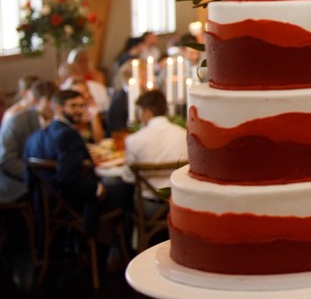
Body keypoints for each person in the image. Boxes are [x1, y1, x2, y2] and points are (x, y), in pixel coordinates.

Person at [23, 90, 132, 237]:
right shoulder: (68, 135)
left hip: (46, 206)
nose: (80, 111)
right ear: (58, 108)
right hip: (72, 207)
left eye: (82, 106)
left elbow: (29, 178)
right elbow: (68, 177)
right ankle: (115, 249)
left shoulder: (35, 137)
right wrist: (98, 189)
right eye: (73, 106)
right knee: (126, 189)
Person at [121, 90, 187, 195]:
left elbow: (128, 177)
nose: (138, 115)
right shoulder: (184, 134)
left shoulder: (134, 140)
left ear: (147, 113)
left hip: (149, 205)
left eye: (139, 110)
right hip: (180, 201)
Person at [0, 81, 55, 203]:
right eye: (48, 101)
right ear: (36, 101)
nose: (53, 106)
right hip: (16, 182)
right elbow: (7, 160)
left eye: (55, 101)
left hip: (46, 176)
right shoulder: (17, 122)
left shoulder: (56, 120)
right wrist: (38, 176)